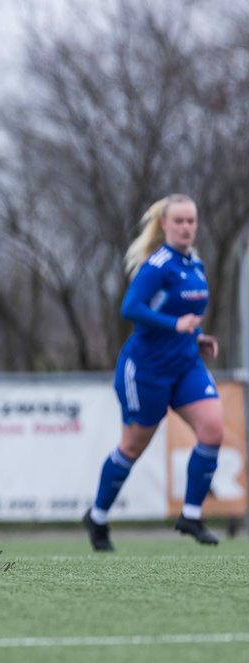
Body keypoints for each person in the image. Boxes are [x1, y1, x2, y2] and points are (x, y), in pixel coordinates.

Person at [82, 194, 222, 551]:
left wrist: (196, 336)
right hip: (146, 369)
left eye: (192, 220)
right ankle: (97, 517)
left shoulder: (195, 264)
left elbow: (183, 317)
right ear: (165, 224)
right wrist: (175, 324)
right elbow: (131, 307)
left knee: (212, 429)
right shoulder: (158, 265)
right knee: (132, 447)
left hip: (186, 363)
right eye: (179, 221)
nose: (187, 227)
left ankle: (190, 515)